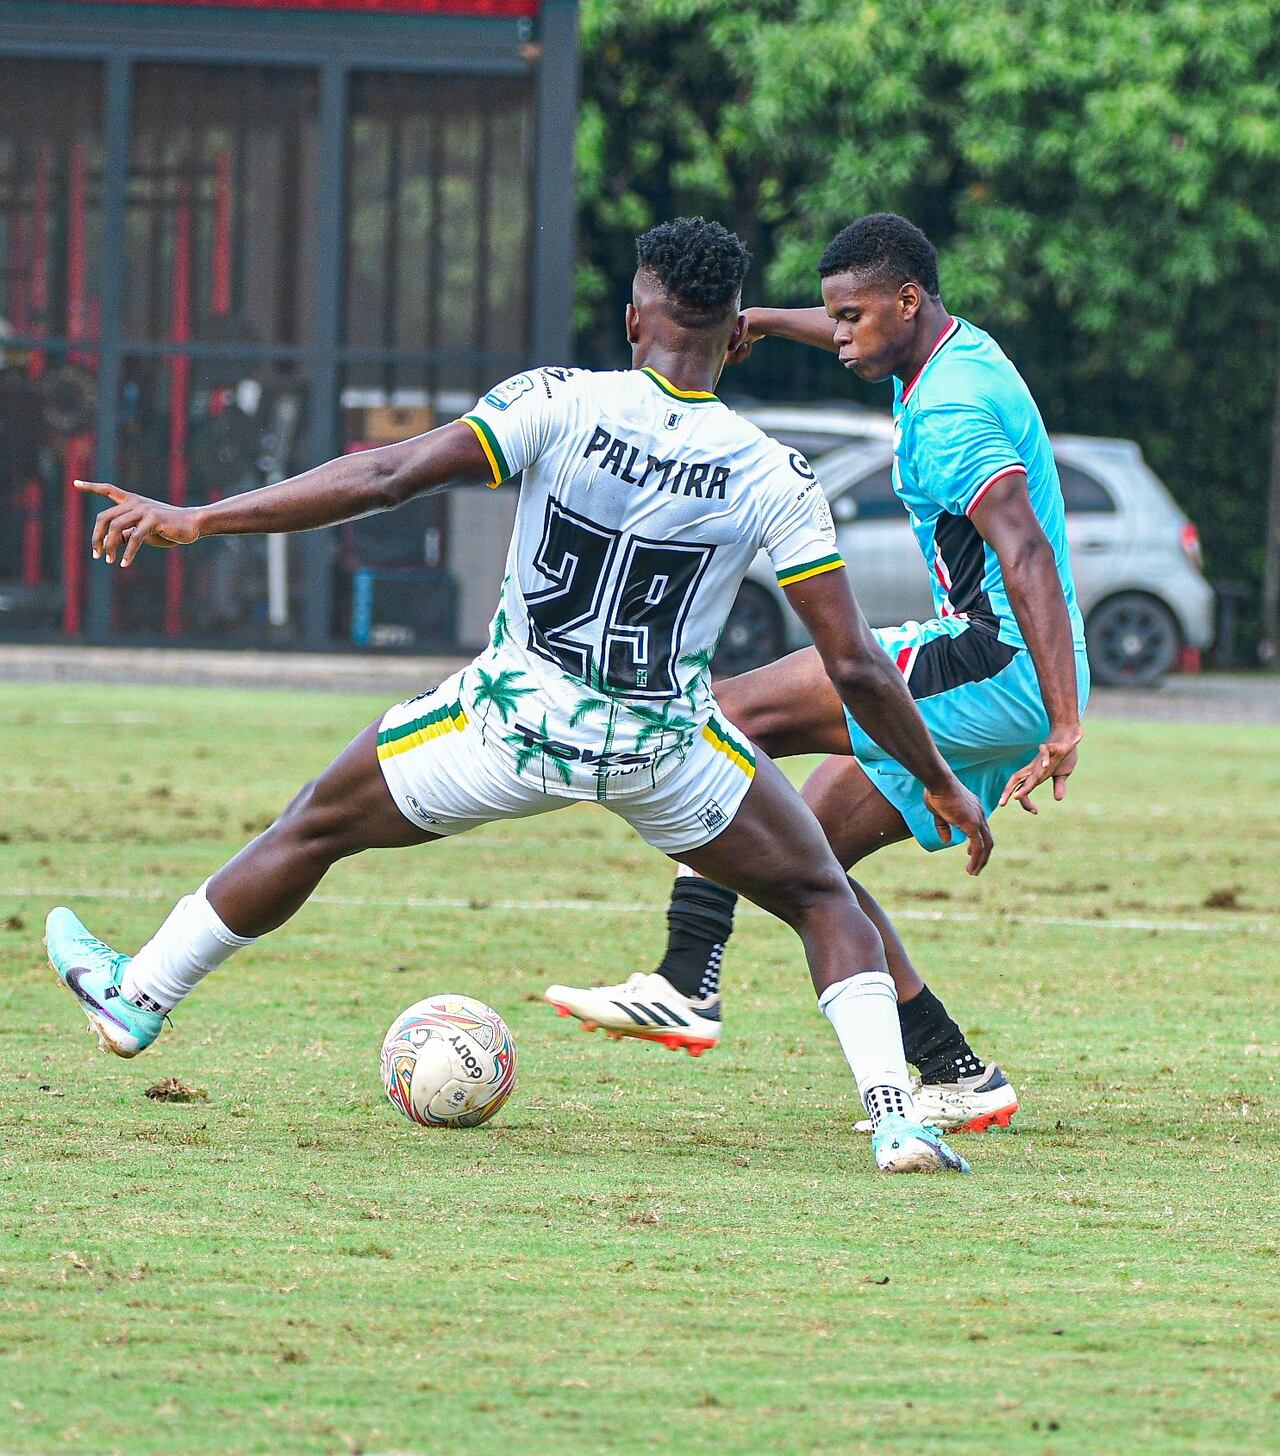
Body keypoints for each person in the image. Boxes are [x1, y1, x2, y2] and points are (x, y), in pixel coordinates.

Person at [46, 216, 994, 1175]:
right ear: (737, 335)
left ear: (634, 320)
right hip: (666, 754)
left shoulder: (556, 401)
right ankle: (895, 1118)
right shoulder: (772, 472)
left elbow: (383, 477)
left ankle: (140, 996)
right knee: (824, 900)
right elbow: (858, 665)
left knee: (313, 827)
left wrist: (199, 518)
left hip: (506, 725)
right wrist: (940, 782)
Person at [546, 213, 1088, 1135]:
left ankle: (686, 978)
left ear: (907, 301)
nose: (838, 336)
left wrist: (1065, 722)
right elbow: (855, 318)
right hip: (1008, 671)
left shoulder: (952, 411)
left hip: (992, 660)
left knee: (725, 713)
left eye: (851, 319)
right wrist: (767, 316)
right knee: (807, 858)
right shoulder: (958, 354)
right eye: (831, 318)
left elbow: (1026, 553)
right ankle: (954, 1068)